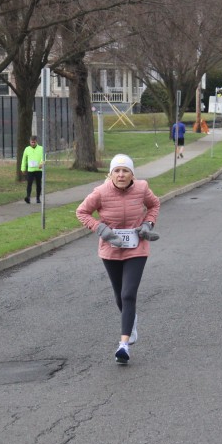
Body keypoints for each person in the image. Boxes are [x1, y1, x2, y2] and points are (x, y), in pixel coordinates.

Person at [76, 155, 161, 364]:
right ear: (111, 174)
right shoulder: (100, 192)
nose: (121, 175)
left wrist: (147, 225)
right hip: (111, 249)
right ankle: (130, 321)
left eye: (125, 171)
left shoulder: (142, 188)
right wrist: (101, 229)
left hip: (137, 248)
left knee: (128, 294)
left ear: (132, 174)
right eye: (117, 171)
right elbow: (82, 212)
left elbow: (154, 205)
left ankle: (124, 345)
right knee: (119, 295)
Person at [20, 135, 44, 203]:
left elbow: (43, 157)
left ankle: (38, 198)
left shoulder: (41, 148)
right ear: (30, 142)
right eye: (32, 142)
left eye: (34, 142)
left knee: (38, 184)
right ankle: (28, 197)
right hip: (30, 170)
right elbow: (24, 159)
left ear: (36, 142)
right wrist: (23, 168)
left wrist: (41, 164)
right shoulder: (27, 149)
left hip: (38, 170)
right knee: (29, 184)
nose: (33, 143)